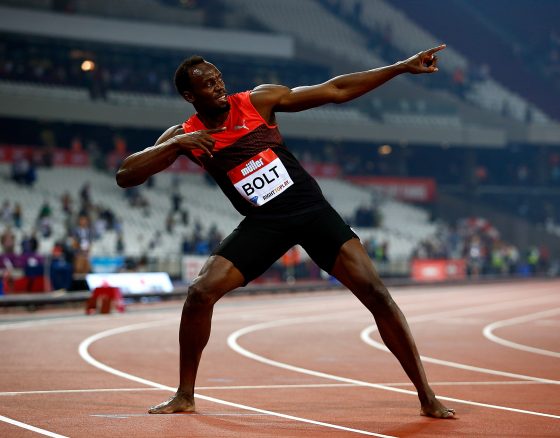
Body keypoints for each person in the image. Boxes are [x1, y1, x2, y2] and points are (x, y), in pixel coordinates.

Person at [116, 44, 455, 419]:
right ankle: (184, 394)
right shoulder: (187, 134)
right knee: (199, 293)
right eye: (208, 86)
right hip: (266, 224)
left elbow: (336, 90)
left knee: (376, 293)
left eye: (219, 80)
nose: (219, 88)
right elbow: (126, 175)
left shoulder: (258, 102)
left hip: (311, 212)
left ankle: (426, 395)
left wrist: (401, 67)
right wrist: (178, 143)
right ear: (189, 95)